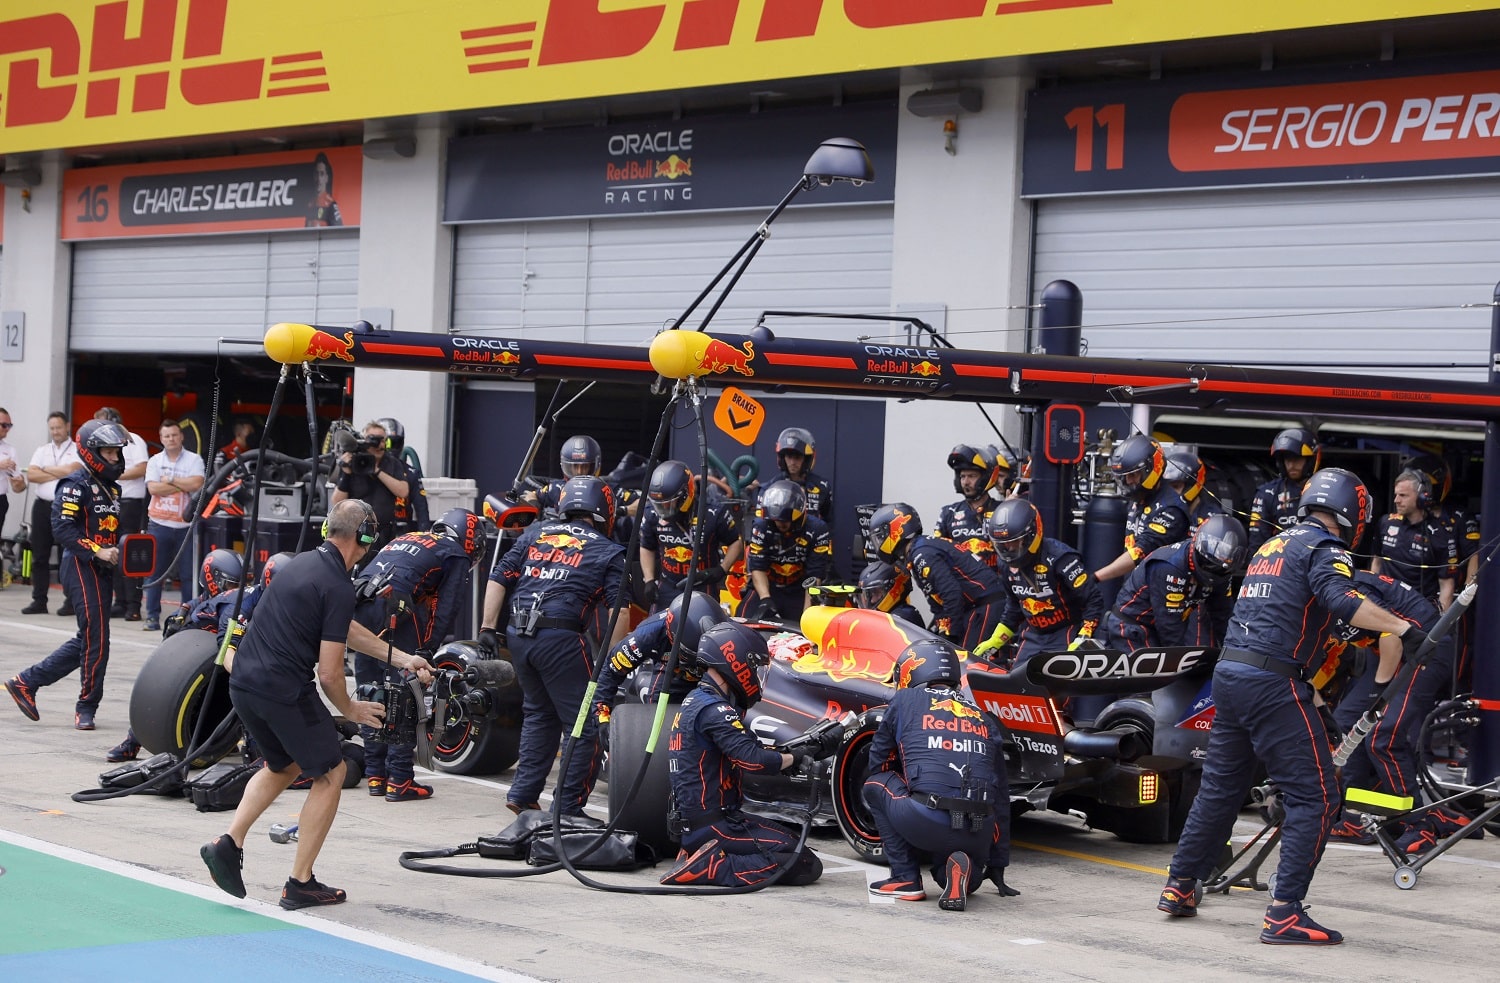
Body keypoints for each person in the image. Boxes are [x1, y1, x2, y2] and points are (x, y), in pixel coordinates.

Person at [1159, 467, 1424, 945]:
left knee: (1219, 790)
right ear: (1354, 510)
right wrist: (1405, 628)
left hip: (1232, 675)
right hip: (1269, 681)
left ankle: (1179, 886)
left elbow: (1300, 620)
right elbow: (1340, 599)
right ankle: (1285, 913)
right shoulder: (1326, 548)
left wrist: (1326, 691)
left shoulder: (1271, 548)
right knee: (1318, 798)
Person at [199, 500, 433, 910]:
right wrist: (352, 710)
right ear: (364, 539)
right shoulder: (339, 585)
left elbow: (342, 626)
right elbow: (329, 674)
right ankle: (300, 882)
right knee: (332, 772)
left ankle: (227, 842)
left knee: (283, 765)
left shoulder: (303, 565)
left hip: (244, 684)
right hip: (283, 690)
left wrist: (401, 657)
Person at [478, 476, 628, 816]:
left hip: (519, 635)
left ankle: (523, 794)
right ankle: (568, 809)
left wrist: (488, 627)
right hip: (560, 639)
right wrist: (615, 660)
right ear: (604, 509)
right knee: (586, 724)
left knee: (539, 714)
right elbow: (619, 609)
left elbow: (499, 575)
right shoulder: (608, 550)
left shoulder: (535, 534)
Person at [659, 620, 822, 887]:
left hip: (704, 822)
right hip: (713, 826)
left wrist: (789, 755)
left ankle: (696, 854)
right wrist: (796, 757)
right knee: (804, 863)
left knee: (791, 841)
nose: (756, 676)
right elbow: (753, 760)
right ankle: (711, 868)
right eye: (754, 667)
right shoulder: (714, 710)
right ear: (734, 661)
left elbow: (748, 748)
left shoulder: (697, 701)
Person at [864, 638, 1016, 909]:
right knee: (946, 871)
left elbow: (879, 762)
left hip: (928, 816)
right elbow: (1001, 796)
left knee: (875, 784)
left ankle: (905, 878)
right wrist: (998, 862)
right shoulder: (984, 716)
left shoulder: (905, 699)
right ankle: (962, 872)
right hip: (978, 828)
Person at [1325, 570, 1470, 854]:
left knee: (1383, 735)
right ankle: (1355, 818)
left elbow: (1391, 635)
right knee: (1347, 728)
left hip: (1425, 647)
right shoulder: (1316, 590)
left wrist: (1379, 694)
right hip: (1393, 653)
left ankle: (1422, 824)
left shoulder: (1338, 586)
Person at [351, 507, 485, 802]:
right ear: (470, 540)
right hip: (394, 606)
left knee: (370, 691)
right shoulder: (455, 552)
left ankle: (375, 774)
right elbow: (445, 607)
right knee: (405, 691)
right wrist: (427, 651)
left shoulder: (408, 536)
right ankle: (400, 779)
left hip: (361, 604)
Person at [5, 420, 127, 730]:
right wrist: (96, 550)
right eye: (109, 452)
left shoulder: (112, 488)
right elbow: (62, 528)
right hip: (80, 565)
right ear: (91, 452)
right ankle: (86, 706)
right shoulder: (75, 485)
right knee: (97, 641)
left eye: (116, 452)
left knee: (90, 640)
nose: (114, 458)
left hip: (103, 568)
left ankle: (25, 682)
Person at [973, 499, 1103, 666]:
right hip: (1033, 633)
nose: (1008, 550)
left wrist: (1084, 636)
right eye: (1002, 545)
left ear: (1031, 535)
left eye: (1013, 543)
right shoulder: (1004, 564)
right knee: (1018, 686)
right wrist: (996, 640)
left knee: (1060, 686)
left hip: (1066, 631)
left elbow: (1093, 599)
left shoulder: (1061, 559)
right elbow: (1014, 606)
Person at [867, 502, 1005, 651]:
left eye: (880, 537)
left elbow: (951, 594)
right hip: (981, 606)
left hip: (985, 607)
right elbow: (938, 600)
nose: (879, 543)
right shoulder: (919, 549)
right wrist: (942, 631)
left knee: (970, 663)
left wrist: (950, 635)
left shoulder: (922, 554)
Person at [1103, 515, 1246, 652]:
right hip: (1131, 627)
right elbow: (1169, 626)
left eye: (1221, 566)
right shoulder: (1169, 565)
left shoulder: (1223, 572)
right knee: (1160, 673)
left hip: (1161, 630)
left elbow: (1223, 615)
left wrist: (1233, 653)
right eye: (1211, 564)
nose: (1215, 569)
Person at [593, 591, 727, 734]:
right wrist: (602, 716)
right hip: (672, 676)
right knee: (660, 732)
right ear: (672, 635)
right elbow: (610, 671)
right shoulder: (647, 635)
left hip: (716, 676)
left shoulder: (729, 630)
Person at [639, 460, 742, 611]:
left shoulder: (714, 513)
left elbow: (736, 542)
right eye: (659, 504)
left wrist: (722, 569)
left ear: (686, 495)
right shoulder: (651, 514)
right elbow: (646, 546)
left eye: (668, 504)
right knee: (657, 631)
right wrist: (649, 580)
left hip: (703, 586)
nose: (663, 510)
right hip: (667, 585)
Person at [1094, 434, 1190, 583]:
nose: (1128, 482)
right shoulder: (1139, 499)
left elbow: (1140, 551)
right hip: (1136, 587)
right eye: (1124, 477)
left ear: (1151, 469)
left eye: (1133, 475)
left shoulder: (1172, 510)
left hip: (1162, 591)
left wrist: (1096, 577)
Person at [143, 419, 206, 632]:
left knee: (189, 575)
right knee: (154, 574)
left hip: (186, 527)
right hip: (159, 524)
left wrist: (168, 482)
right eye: (166, 436)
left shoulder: (194, 459)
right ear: (161, 439)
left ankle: (186, 618)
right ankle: (151, 617)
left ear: (181, 437)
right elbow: (153, 489)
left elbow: (197, 483)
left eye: (174, 435)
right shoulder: (154, 460)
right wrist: (181, 483)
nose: (171, 439)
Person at [743, 479, 832, 620]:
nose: (781, 524)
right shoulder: (761, 526)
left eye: (785, 521)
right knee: (743, 621)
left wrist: (807, 616)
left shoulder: (817, 529)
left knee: (804, 628)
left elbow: (815, 575)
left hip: (799, 589)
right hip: (767, 586)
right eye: (777, 520)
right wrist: (765, 599)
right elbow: (757, 566)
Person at [1370, 468, 1457, 612]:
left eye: (1403, 495)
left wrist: (1439, 626)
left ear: (1423, 497)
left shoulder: (1441, 534)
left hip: (1417, 612)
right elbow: (1376, 562)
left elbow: (1447, 585)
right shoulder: (1386, 522)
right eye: (1396, 494)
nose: (1396, 500)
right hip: (1383, 607)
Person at [21, 411, 82, 615]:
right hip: (43, 506)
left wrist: (46, 470)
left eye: (58, 427)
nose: (55, 431)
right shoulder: (42, 449)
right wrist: (59, 470)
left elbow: (74, 470)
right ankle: (39, 600)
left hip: (67, 506)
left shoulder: (77, 450)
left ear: (67, 426)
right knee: (40, 555)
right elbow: (32, 475)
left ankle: (70, 601)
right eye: (52, 428)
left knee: (69, 555)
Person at [95, 408, 149, 620]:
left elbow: (142, 468)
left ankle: (133, 605)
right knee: (111, 550)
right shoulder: (101, 444)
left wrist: (114, 473)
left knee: (130, 553)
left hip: (131, 502)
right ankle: (119, 601)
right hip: (110, 502)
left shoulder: (134, 440)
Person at [330, 420, 411, 551]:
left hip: (384, 533)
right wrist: (345, 473)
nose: (380, 445)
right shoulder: (353, 461)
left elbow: (403, 491)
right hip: (356, 533)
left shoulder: (392, 463)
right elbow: (336, 502)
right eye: (374, 440)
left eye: (383, 440)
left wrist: (377, 470)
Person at [1247, 427, 1319, 553]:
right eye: (1287, 459)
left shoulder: (1324, 489)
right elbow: (1257, 543)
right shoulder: (1268, 493)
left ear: (1309, 460)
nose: (1291, 465)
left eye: (1297, 459)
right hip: (1280, 562)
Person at [935, 443, 1006, 570]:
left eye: (972, 476)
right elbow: (937, 555)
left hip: (996, 585)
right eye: (962, 476)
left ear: (985, 478)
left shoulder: (1003, 510)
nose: (966, 482)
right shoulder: (948, 513)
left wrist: (1012, 508)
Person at [761, 427, 832, 524]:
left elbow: (828, 522)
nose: (792, 462)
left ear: (807, 459)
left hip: (809, 538)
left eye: (797, 457)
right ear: (782, 458)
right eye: (789, 457)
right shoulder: (770, 488)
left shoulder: (822, 487)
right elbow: (761, 523)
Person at [377, 416, 429, 530]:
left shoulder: (411, 473)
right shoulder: (366, 469)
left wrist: (424, 534)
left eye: (397, 442)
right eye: (390, 443)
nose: (393, 448)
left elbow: (422, 511)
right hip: (372, 531)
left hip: (401, 532)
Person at [1164, 449, 1225, 528]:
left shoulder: (1213, 520)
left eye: (1176, 486)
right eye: (1166, 487)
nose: (1169, 493)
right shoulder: (1157, 512)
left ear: (1192, 485)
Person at [856, 559, 925, 628]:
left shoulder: (904, 616)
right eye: (866, 595)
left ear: (892, 588)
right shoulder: (882, 617)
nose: (871, 600)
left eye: (876, 593)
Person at [0, 407, 26, 543]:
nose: (7, 428)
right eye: (4, 425)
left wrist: (19, 483)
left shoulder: (10, 450)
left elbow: (18, 488)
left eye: (9, 425)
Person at [304, 151, 342, 227]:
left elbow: (339, 231)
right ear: (313, 176)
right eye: (316, 173)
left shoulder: (331, 204)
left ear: (326, 178)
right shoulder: (310, 204)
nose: (319, 178)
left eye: (322, 174)